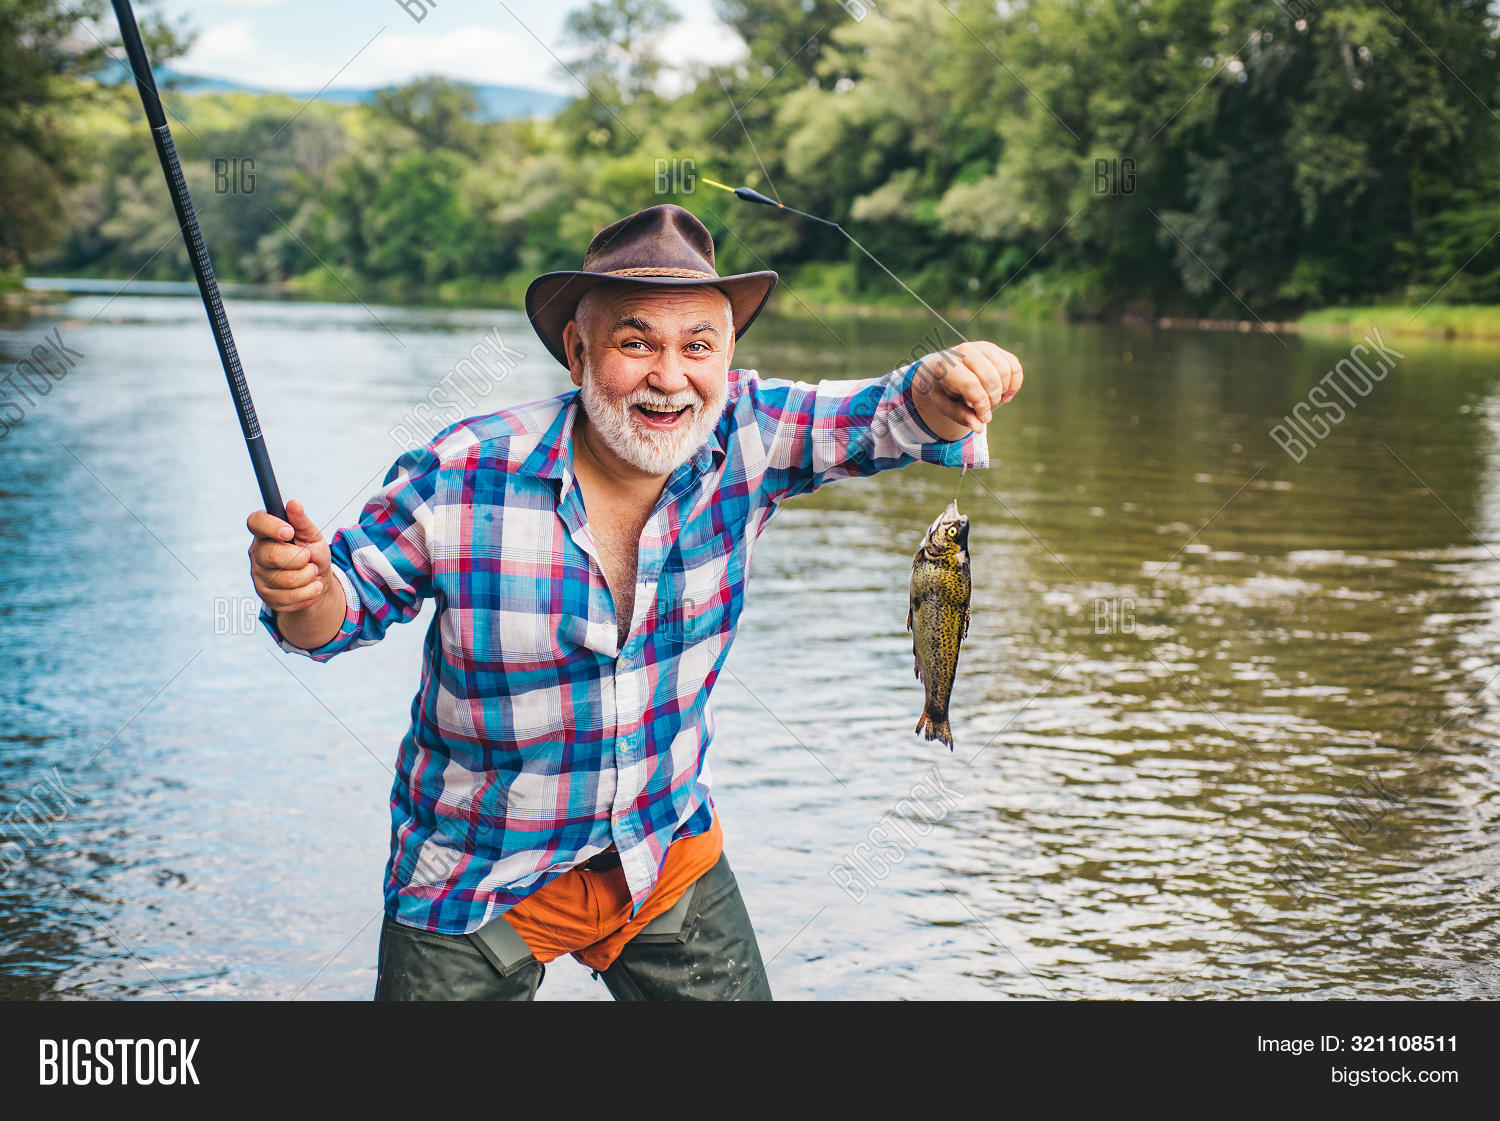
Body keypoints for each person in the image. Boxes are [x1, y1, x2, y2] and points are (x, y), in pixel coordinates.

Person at [247, 204, 1023, 1000]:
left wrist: (943, 380)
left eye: (699, 346)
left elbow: (890, 416)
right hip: (475, 873)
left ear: (728, 358)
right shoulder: (461, 471)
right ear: (577, 350)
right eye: (635, 341)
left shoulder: (748, 435)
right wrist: (300, 590)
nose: (669, 375)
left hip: (662, 851)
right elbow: (333, 617)